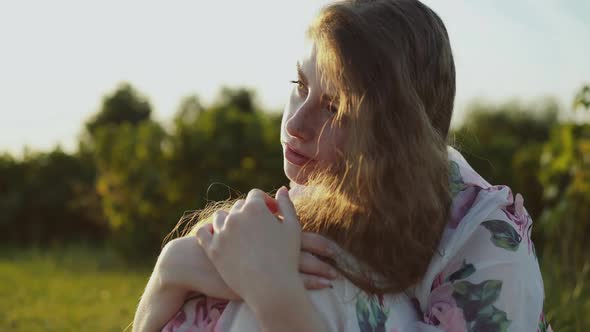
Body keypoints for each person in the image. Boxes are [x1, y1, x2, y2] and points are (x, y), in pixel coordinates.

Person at [133, 0, 550, 331]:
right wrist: (171, 268)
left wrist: (273, 292)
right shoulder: (314, 200)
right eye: (300, 86)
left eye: (335, 107)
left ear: (399, 133)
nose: (296, 124)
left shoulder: (486, 238)